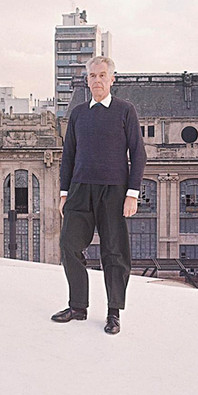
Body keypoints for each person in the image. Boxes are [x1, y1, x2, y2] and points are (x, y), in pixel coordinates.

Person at [51, 56, 146, 334]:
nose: (97, 80)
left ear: (112, 79)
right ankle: (78, 306)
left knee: (114, 252)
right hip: (80, 189)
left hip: (114, 191)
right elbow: (68, 156)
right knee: (69, 245)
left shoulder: (125, 110)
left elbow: (138, 154)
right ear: (87, 80)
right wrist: (64, 193)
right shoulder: (79, 113)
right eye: (92, 76)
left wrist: (132, 194)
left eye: (102, 75)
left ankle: (113, 312)